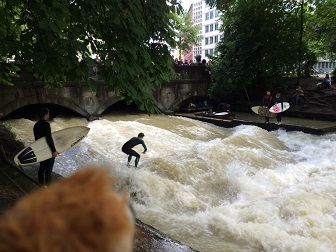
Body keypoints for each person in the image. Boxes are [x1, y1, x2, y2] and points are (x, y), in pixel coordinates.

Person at [33, 108, 59, 186]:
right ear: (45, 115)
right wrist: (54, 150)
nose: (48, 115)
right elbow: (49, 138)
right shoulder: (46, 125)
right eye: (48, 114)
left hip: (40, 148)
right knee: (48, 169)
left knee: (42, 167)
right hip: (47, 149)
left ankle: (40, 184)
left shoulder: (36, 125)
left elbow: (37, 138)